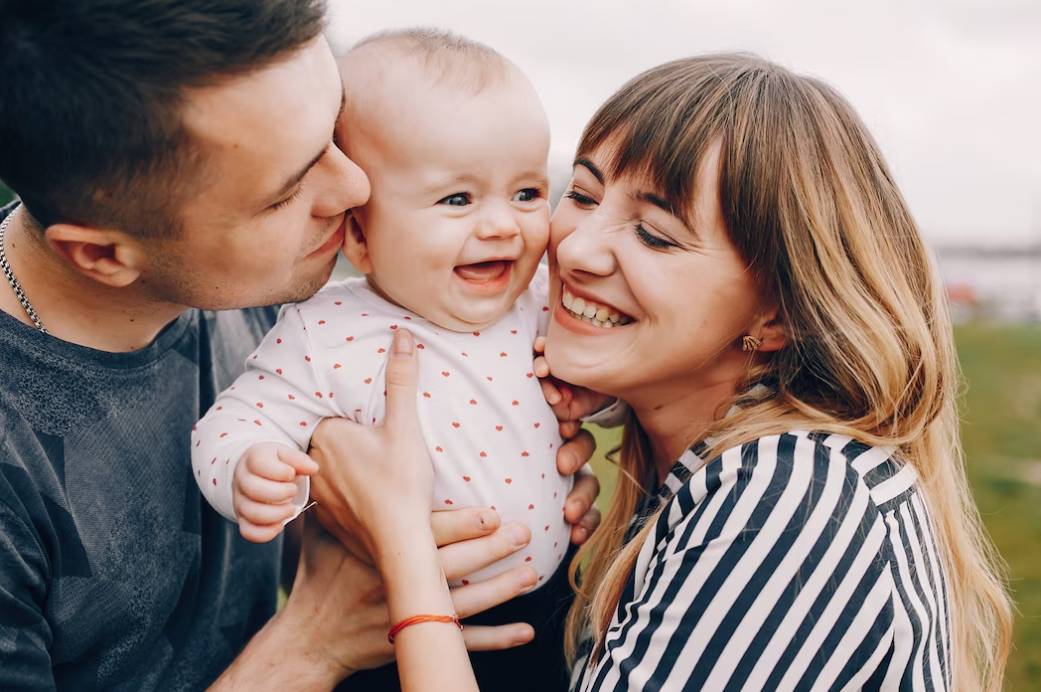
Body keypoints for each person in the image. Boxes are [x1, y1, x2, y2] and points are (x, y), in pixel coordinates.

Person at [310, 53, 1015, 692]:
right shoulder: (708, 473)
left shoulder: (786, 502)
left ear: (773, 317)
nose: (577, 249)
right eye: (580, 196)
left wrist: (403, 539)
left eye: (654, 234)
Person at [0, 2, 601, 690]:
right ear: (103, 254)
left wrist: (505, 467)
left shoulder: (261, 295)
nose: (355, 187)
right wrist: (314, 642)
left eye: (335, 138)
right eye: (286, 192)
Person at [191, 29, 581, 691]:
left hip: (543, 608)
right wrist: (249, 470)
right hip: (382, 628)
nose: (501, 225)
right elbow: (233, 421)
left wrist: (586, 399)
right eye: (457, 199)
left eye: (525, 193)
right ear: (362, 237)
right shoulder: (327, 331)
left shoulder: (539, 301)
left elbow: (600, 368)